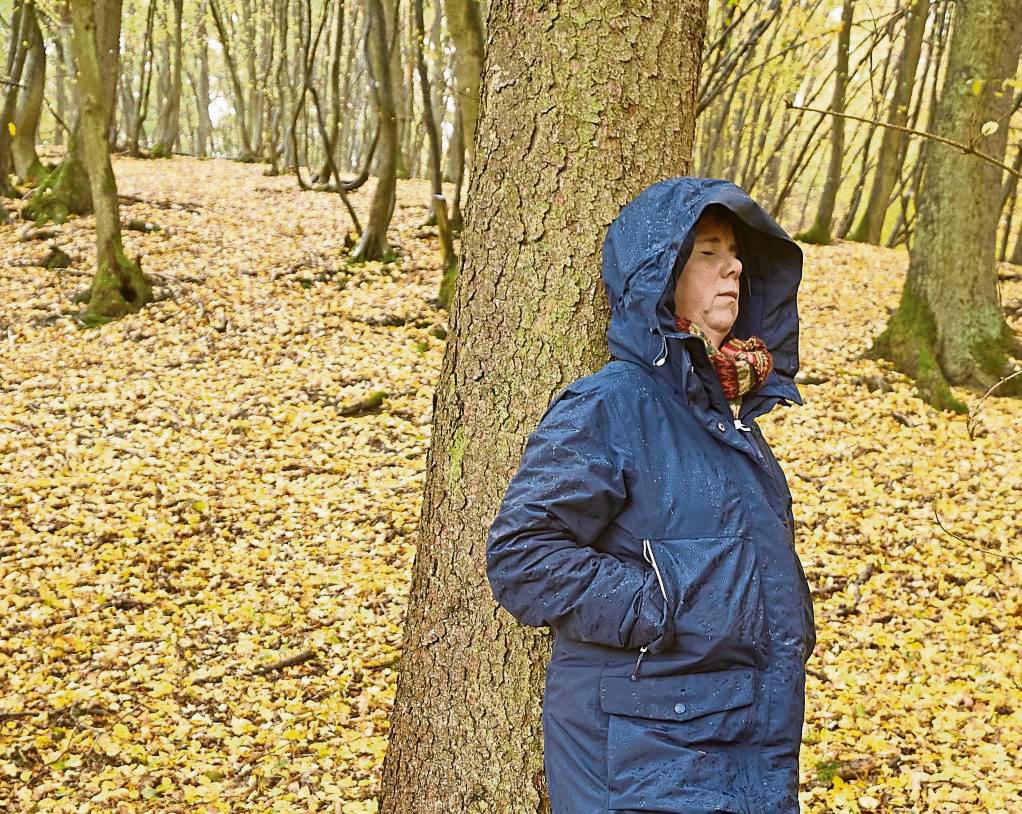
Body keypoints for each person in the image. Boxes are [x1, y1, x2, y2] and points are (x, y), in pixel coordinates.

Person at [485, 177, 817, 813]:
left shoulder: (732, 424)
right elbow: (524, 558)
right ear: (660, 276)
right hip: (642, 758)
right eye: (708, 253)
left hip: (738, 749)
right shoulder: (612, 405)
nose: (735, 268)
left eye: (737, 254)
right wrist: (667, 603)